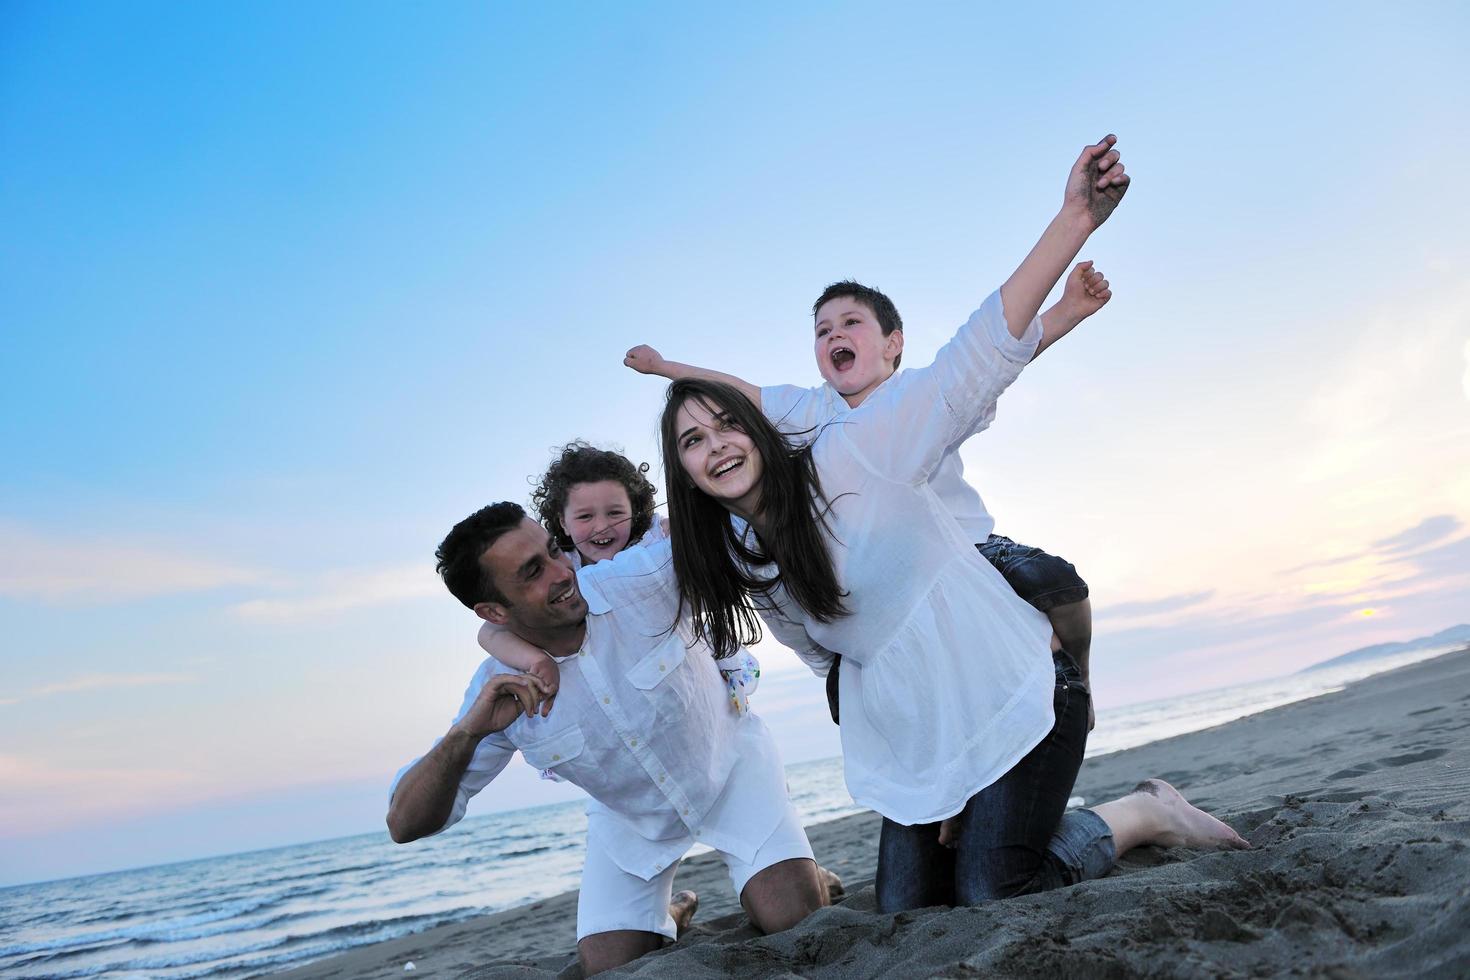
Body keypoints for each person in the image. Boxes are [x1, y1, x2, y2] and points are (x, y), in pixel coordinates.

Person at [651, 135, 1249, 913]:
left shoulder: (862, 446)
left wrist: (1075, 220)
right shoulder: (743, 550)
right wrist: (938, 768)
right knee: (907, 913)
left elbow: (978, 355)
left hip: (1014, 686)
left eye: (725, 424)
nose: (718, 444)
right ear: (687, 474)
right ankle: (984, 805)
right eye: (693, 441)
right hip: (927, 725)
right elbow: (824, 656)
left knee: (996, 892)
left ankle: (1140, 812)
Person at [626, 261, 1109, 729]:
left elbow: (994, 360)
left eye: (851, 323)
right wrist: (665, 367)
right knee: (864, 696)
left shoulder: (920, 395)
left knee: (1056, 582)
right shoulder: (809, 407)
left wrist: (1067, 310)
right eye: (822, 331)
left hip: (969, 547)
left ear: (892, 344)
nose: (834, 334)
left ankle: (1077, 677)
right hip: (879, 580)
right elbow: (736, 394)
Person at [386, 503, 830, 976]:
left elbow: (721, 521)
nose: (563, 573)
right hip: (632, 820)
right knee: (608, 969)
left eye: (554, 551)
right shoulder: (499, 690)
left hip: (733, 773)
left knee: (791, 920)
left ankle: (801, 870)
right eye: (533, 572)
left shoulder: (637, 581)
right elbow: (405, 824)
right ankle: (669, 916)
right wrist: (467, 733)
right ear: (494, 612)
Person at [476, 442, 759, 717]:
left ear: (634, 510)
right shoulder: (560, 567)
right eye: (585, 516)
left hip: (677, 661)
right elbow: (489, 633)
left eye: (615, 512)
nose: (602, 526)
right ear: (562, 521)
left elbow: (704, 534)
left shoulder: (652, 542)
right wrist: (535, 660)